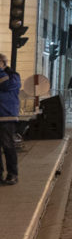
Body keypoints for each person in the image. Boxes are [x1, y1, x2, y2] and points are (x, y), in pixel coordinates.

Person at [0, 53, 22, 185]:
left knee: (8, 146)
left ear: (3, 63)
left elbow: (6, 85)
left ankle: (12, 174)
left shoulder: (13, 76)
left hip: (7, 116)